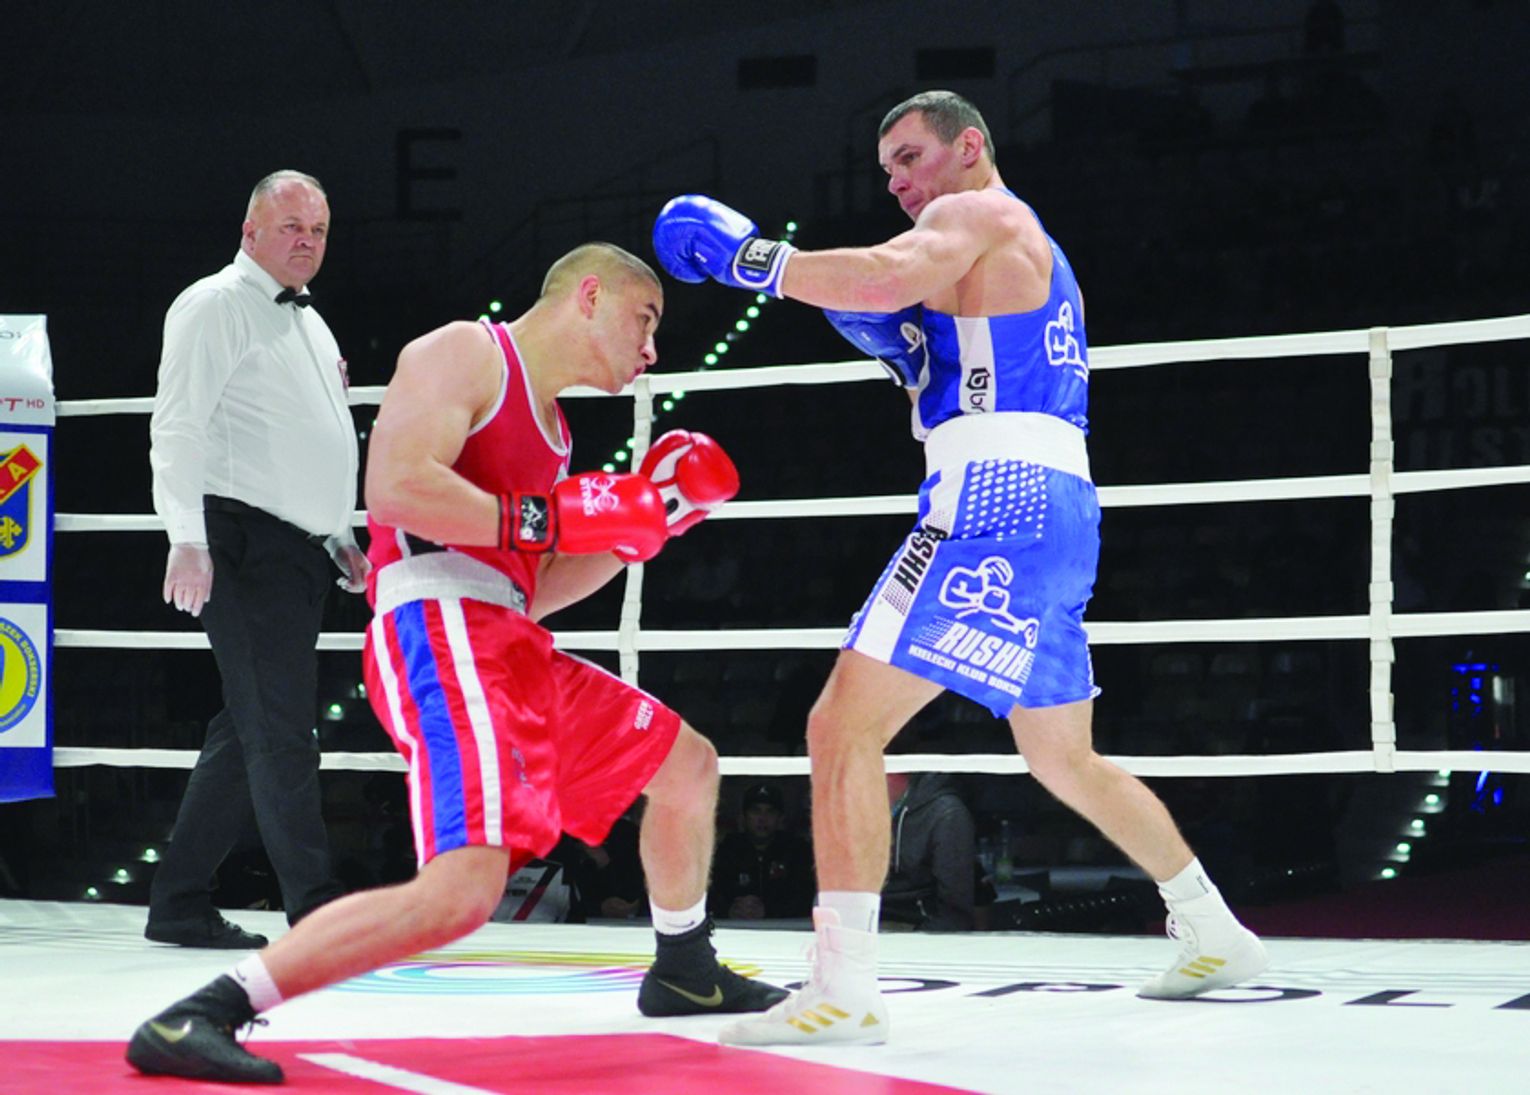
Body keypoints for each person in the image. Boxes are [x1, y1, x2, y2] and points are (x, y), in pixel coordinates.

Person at [652, 90, 1268, 1045]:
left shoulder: (977, 212)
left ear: (970, 145)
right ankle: (1215, 929)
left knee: (840, 725)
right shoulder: (1021, 247)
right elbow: (958, 349)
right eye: (887, 169)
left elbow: (883, 277)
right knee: (1062, 755)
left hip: (995, 500)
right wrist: (916, 361)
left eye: (911, 157)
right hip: (1058, 505)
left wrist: (754, 260)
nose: (898, 182)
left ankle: (845, 987)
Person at [126, 242, 785, 1084]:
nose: (652, 350)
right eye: (644, 319)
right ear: (589, 296)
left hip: (507, 635)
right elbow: (398, 489)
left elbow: (533, 584)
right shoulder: (466, 352)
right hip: (438, 629)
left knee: (687, 765)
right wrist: (559, 518)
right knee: (465, 890)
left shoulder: (555, 432)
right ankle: (203, 1011)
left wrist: (643, 526)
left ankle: (686, 968)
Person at [145, 170, 367, 948]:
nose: (307, 240)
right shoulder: (214, 304)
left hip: (296, 552)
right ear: (250, 231)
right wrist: (186, 536)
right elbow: (178, 424)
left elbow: (306, 440)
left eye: (318, 230)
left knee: (250, 729)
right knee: (280, 730)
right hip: (241, 540)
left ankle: (178, 899)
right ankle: (316, 911)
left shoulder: (312, 324)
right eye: (291, 226)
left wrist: (338, 534)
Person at [882, 771, 976, 932]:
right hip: (863, 920)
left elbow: (954, 913)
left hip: (917, 928)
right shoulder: (857, 807)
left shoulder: (947, 814)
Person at [710, 782, 815, 920]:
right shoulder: (726, 851)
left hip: (784, 928)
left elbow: (807, 897)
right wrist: (728, 910)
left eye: (770, 812)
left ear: (780, 819)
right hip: (732, 927)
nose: (762, 819)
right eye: (755, 811)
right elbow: (709, 895)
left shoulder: (798, 852)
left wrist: (768, 910)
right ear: (744, 818)